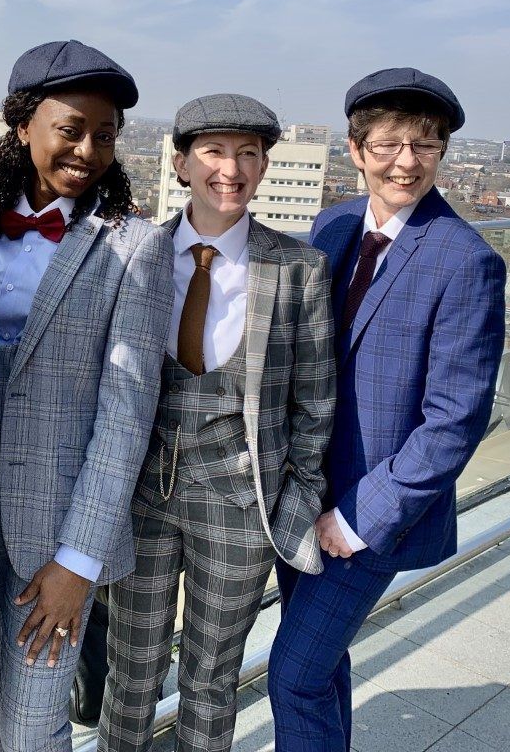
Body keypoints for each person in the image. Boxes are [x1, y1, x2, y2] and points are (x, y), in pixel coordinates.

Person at [267, 68, 506, 751]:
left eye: (425, 146)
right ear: (355, 148)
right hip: (303, 494)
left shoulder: (466, 261)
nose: (406, 161)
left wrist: (360, 515)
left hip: (372, 512)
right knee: (322, 666)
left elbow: (455, 420)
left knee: (292, 677)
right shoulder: (334, 223)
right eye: (390, 144)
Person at [99, 94, 335, 752]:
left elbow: (316, 399)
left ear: (262, 169)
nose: (230, 168)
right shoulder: (133, 255)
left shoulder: (298, 270)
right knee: (130, 673)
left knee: (210, 678)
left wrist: (298, 492)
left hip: (240, 502)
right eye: (213, 151)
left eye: (248, 154)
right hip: (140, 497)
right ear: (179, 163)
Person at [0, 40, 174, 752]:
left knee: (29, 731)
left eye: (105, 134)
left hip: (51, 532)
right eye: (71, 128)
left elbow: (126, 414)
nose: (88, 148)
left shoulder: (133, 247)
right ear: (23, 126)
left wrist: (77, 565)